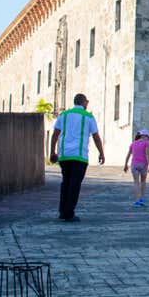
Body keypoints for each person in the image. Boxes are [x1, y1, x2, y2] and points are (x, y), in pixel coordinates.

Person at [49, 93, 105, 222]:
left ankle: (63, 211)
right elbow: (96, 137)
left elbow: (55, 134)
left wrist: (52, 151)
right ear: (83, 102)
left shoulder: (64, 115)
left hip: (64, 156)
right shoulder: (88, 117)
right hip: (79, 156)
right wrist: (101, 153)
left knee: (66, 183)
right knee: (75, 184)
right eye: (87, 101)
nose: (87, 104)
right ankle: (69, 213)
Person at [123, 129, 149, 208]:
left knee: (136, 183)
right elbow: (147, 155)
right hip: (143, 165)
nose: (148, 139)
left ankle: (136, 201)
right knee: (143, 182)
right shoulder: (146, 143)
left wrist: (125, 165)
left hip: (134, 165)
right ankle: (142, 199)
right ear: (143, 136)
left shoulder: (133, 143)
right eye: (147, 137)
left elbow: (128, 155)